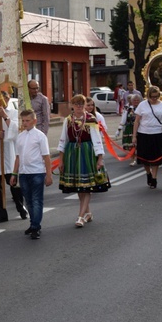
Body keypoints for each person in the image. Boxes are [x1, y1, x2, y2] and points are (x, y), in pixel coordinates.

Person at [57, 94, 110, 227]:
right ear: (72, 106)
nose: (79, 107)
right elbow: (63, 140)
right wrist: (61, 160)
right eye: (76, 104)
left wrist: (100, 159)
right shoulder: (68, 120)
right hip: (72, 154)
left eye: (82, 104)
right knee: (79, 187)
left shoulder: (91, 119)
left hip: (87, 153)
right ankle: (87, 213)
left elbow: (97, 140)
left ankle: (80, 216)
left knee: (86, 187)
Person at [10, 109, 52, 239]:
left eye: (27, 120)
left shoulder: (40, 136)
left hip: (37, 172)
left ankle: (36, 226)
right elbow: (17, 157)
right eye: (23, 121)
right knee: (28, 201)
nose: (25, 123)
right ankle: (33, 223)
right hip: (23, 173)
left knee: (36, 200)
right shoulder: (20, 136)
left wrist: (48, 175)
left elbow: (46, 157)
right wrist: (14, 174)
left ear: (34, 121)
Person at [0, 93, 27, 224]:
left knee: (14, 184)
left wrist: (5, 117)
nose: (1, 101)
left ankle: (22, 209)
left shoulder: (14, 113)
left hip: (10, 155)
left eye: (4, 99)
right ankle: (1, 214)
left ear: (8, 99)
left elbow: (18, 131)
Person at [132, 86, 162, 189]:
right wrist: (134, 136)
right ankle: (148, 173)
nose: (154, 99)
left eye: (156, 96)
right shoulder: (142, 105)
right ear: (148, 96)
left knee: (156, 158)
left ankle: (154, 178)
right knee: (145, 158)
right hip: (143, 133)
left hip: (157, 134)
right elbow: (136, 121)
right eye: (152, 97)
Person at [116, 94, 139, 166]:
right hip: (130, 128)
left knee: (140, 145)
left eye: (137, 100)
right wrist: (119, 129)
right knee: (131, 145)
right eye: (134, 100)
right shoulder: (127, 108)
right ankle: (133, 159)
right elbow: (123, 119)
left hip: (140, 128)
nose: (135, 102)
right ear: (131, 101)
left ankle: (140, 158)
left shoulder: (142, 107)